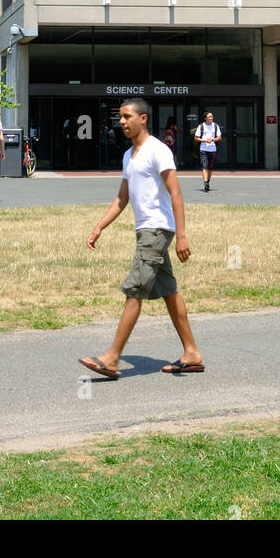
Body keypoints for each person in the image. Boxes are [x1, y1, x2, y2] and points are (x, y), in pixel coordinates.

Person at [78, 97, 204, 379]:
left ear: (143, 118)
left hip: (157, 230)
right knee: (169, 291)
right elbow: (122, 199)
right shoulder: (129, 156)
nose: (121, 121)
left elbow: (176, 193)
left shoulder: (158, 151)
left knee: (135, 288)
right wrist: (99, 227)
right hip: (145, 229)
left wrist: (182, 235)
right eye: (120, 117)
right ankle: (192, 352)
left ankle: (111, 358)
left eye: (126, 116)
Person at [194, 111, 221, 192]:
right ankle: (205, 183)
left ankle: (208, 182)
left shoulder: (215, 126)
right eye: (209, 117)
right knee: (204, 166)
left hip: (212, 149)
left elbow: (219, 137)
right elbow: (196, 138)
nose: (211, 118)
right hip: (203, 149)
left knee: (210, 168)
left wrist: (212, 139)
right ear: (205, 118)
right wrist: (204, 140)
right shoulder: (201, 126)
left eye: (212, 116)